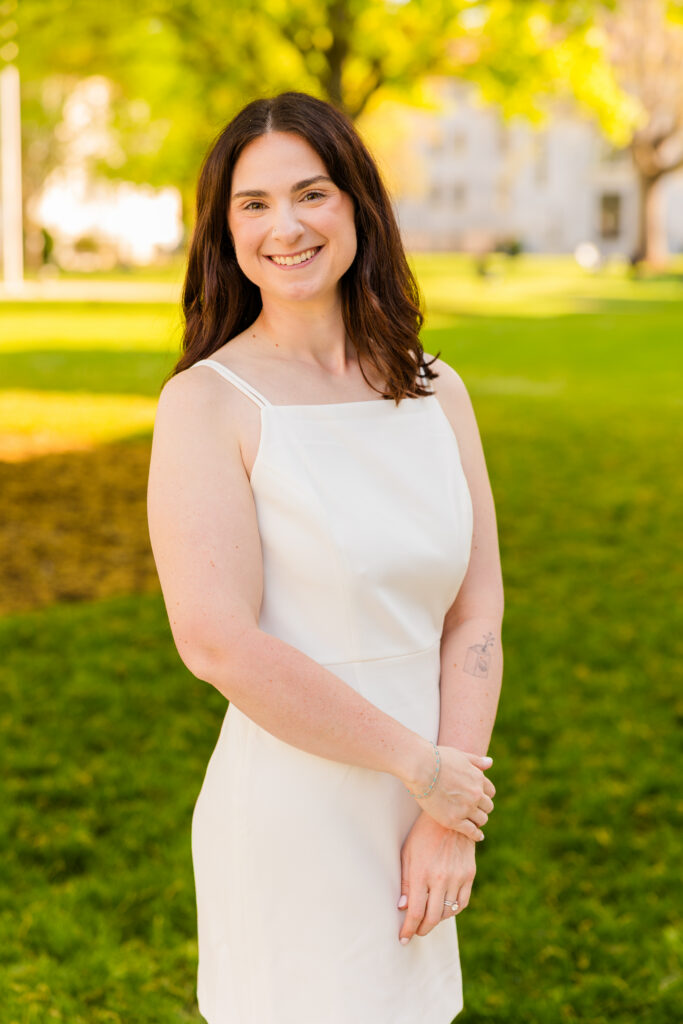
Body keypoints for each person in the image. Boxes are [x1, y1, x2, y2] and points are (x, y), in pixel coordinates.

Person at [147, 90, 504, 1024]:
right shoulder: (206, 403)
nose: (287, 226)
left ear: (357, 204)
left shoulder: (437, 390)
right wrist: (418, 767)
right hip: (294, 816)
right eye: (253, 205)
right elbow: (217, 642)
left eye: (312, 193)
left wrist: (445, 810)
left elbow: (476, 612)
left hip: (426, 805)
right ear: (224, 234)